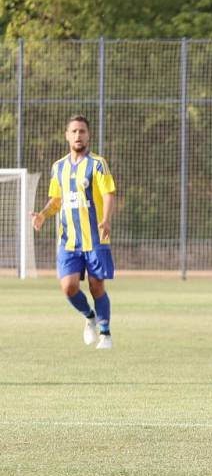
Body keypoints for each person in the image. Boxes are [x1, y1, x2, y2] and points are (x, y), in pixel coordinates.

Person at [31, 115, 116, 350]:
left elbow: (109, 193)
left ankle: (105, 334)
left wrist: (106, 220)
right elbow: (56, 199)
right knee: (68, 287)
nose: (78, 135)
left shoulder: (98, 164)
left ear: (88, 136)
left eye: (82, 131)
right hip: (68, 240)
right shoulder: (58, 167)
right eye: (74, 131)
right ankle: (89, 316)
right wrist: (43, 214)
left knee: (96, 285)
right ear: (67, 135)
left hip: (95, 238)